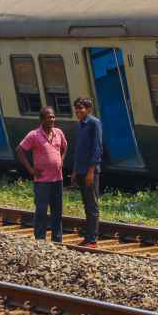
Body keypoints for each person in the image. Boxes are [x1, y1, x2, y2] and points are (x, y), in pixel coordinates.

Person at [16, 107, 67, 242]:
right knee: (41, 210)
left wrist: (61, 159)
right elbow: (20, 150)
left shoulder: (59, 133)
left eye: (53, 117)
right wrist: (30, 169)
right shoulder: (34, 135)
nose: (52, 120)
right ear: (42, 119)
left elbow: (65, 147)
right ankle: (40, 238)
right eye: (49, 117)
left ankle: (57, 239)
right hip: (42, 181)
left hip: (57, 179)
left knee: (57, 211)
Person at [71, 97, 102, 248]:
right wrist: (75, 171)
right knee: (86, 204)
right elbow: (78, 150)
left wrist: (91, 171)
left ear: (88, 109)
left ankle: (93, 239)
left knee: (92, 205)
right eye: (76, 108)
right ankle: (88, 236)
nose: (78, 111)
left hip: (91, 171)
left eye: (81, 108)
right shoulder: (78, 126)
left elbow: (97, 149)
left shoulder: (94, 123)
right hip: (81, 170)